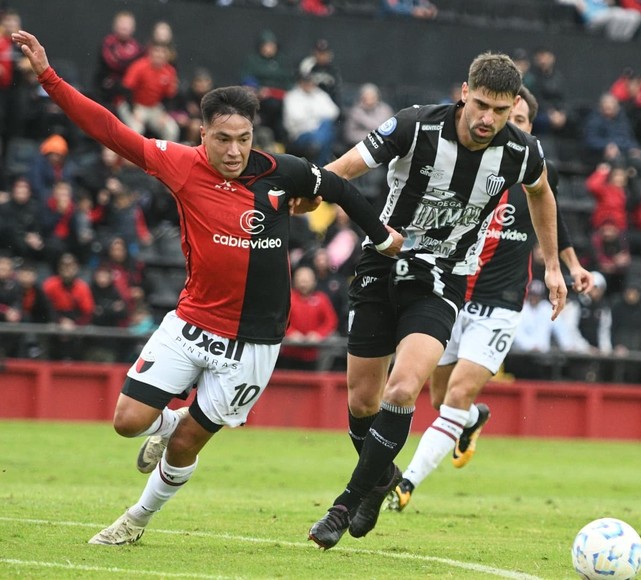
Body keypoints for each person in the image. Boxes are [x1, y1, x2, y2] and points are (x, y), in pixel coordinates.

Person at [13, 29, 403, 546]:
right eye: (223, 139)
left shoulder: (282, 172)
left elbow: (340, 188)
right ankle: (168, 423)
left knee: (187, 445)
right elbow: (108, 128)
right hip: (193, 321)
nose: (235, 150)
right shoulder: (179, 164)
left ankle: (136, 520)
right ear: (202, 133)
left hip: (255, 342)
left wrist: (382, 237)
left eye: (244, 138)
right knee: (127, 422)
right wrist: (48, 76)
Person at [307, 52, 574, 550]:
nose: (487, 119)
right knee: (362, 402)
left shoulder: (521, 151)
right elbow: (348, 165)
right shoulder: (415, 125)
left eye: (500, 110)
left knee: (403, 389)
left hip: (442, 279)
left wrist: (554, 265)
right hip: (380, 267)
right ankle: (380, 478)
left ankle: (344, 505)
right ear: (464, 93)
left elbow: (542, 194)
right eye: (481, 105)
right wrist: (313, 188)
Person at [384, 86, 589, 512]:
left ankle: (406, 483)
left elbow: (554, 220)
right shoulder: (467, 167)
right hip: (452, 294)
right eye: (504, 119)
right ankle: (474, 418)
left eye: (518, 121)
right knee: (441, 399)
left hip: (500, 304)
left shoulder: (531, 173)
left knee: (456, 395)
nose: (507, 127)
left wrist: (569, 267)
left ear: (530, 129)